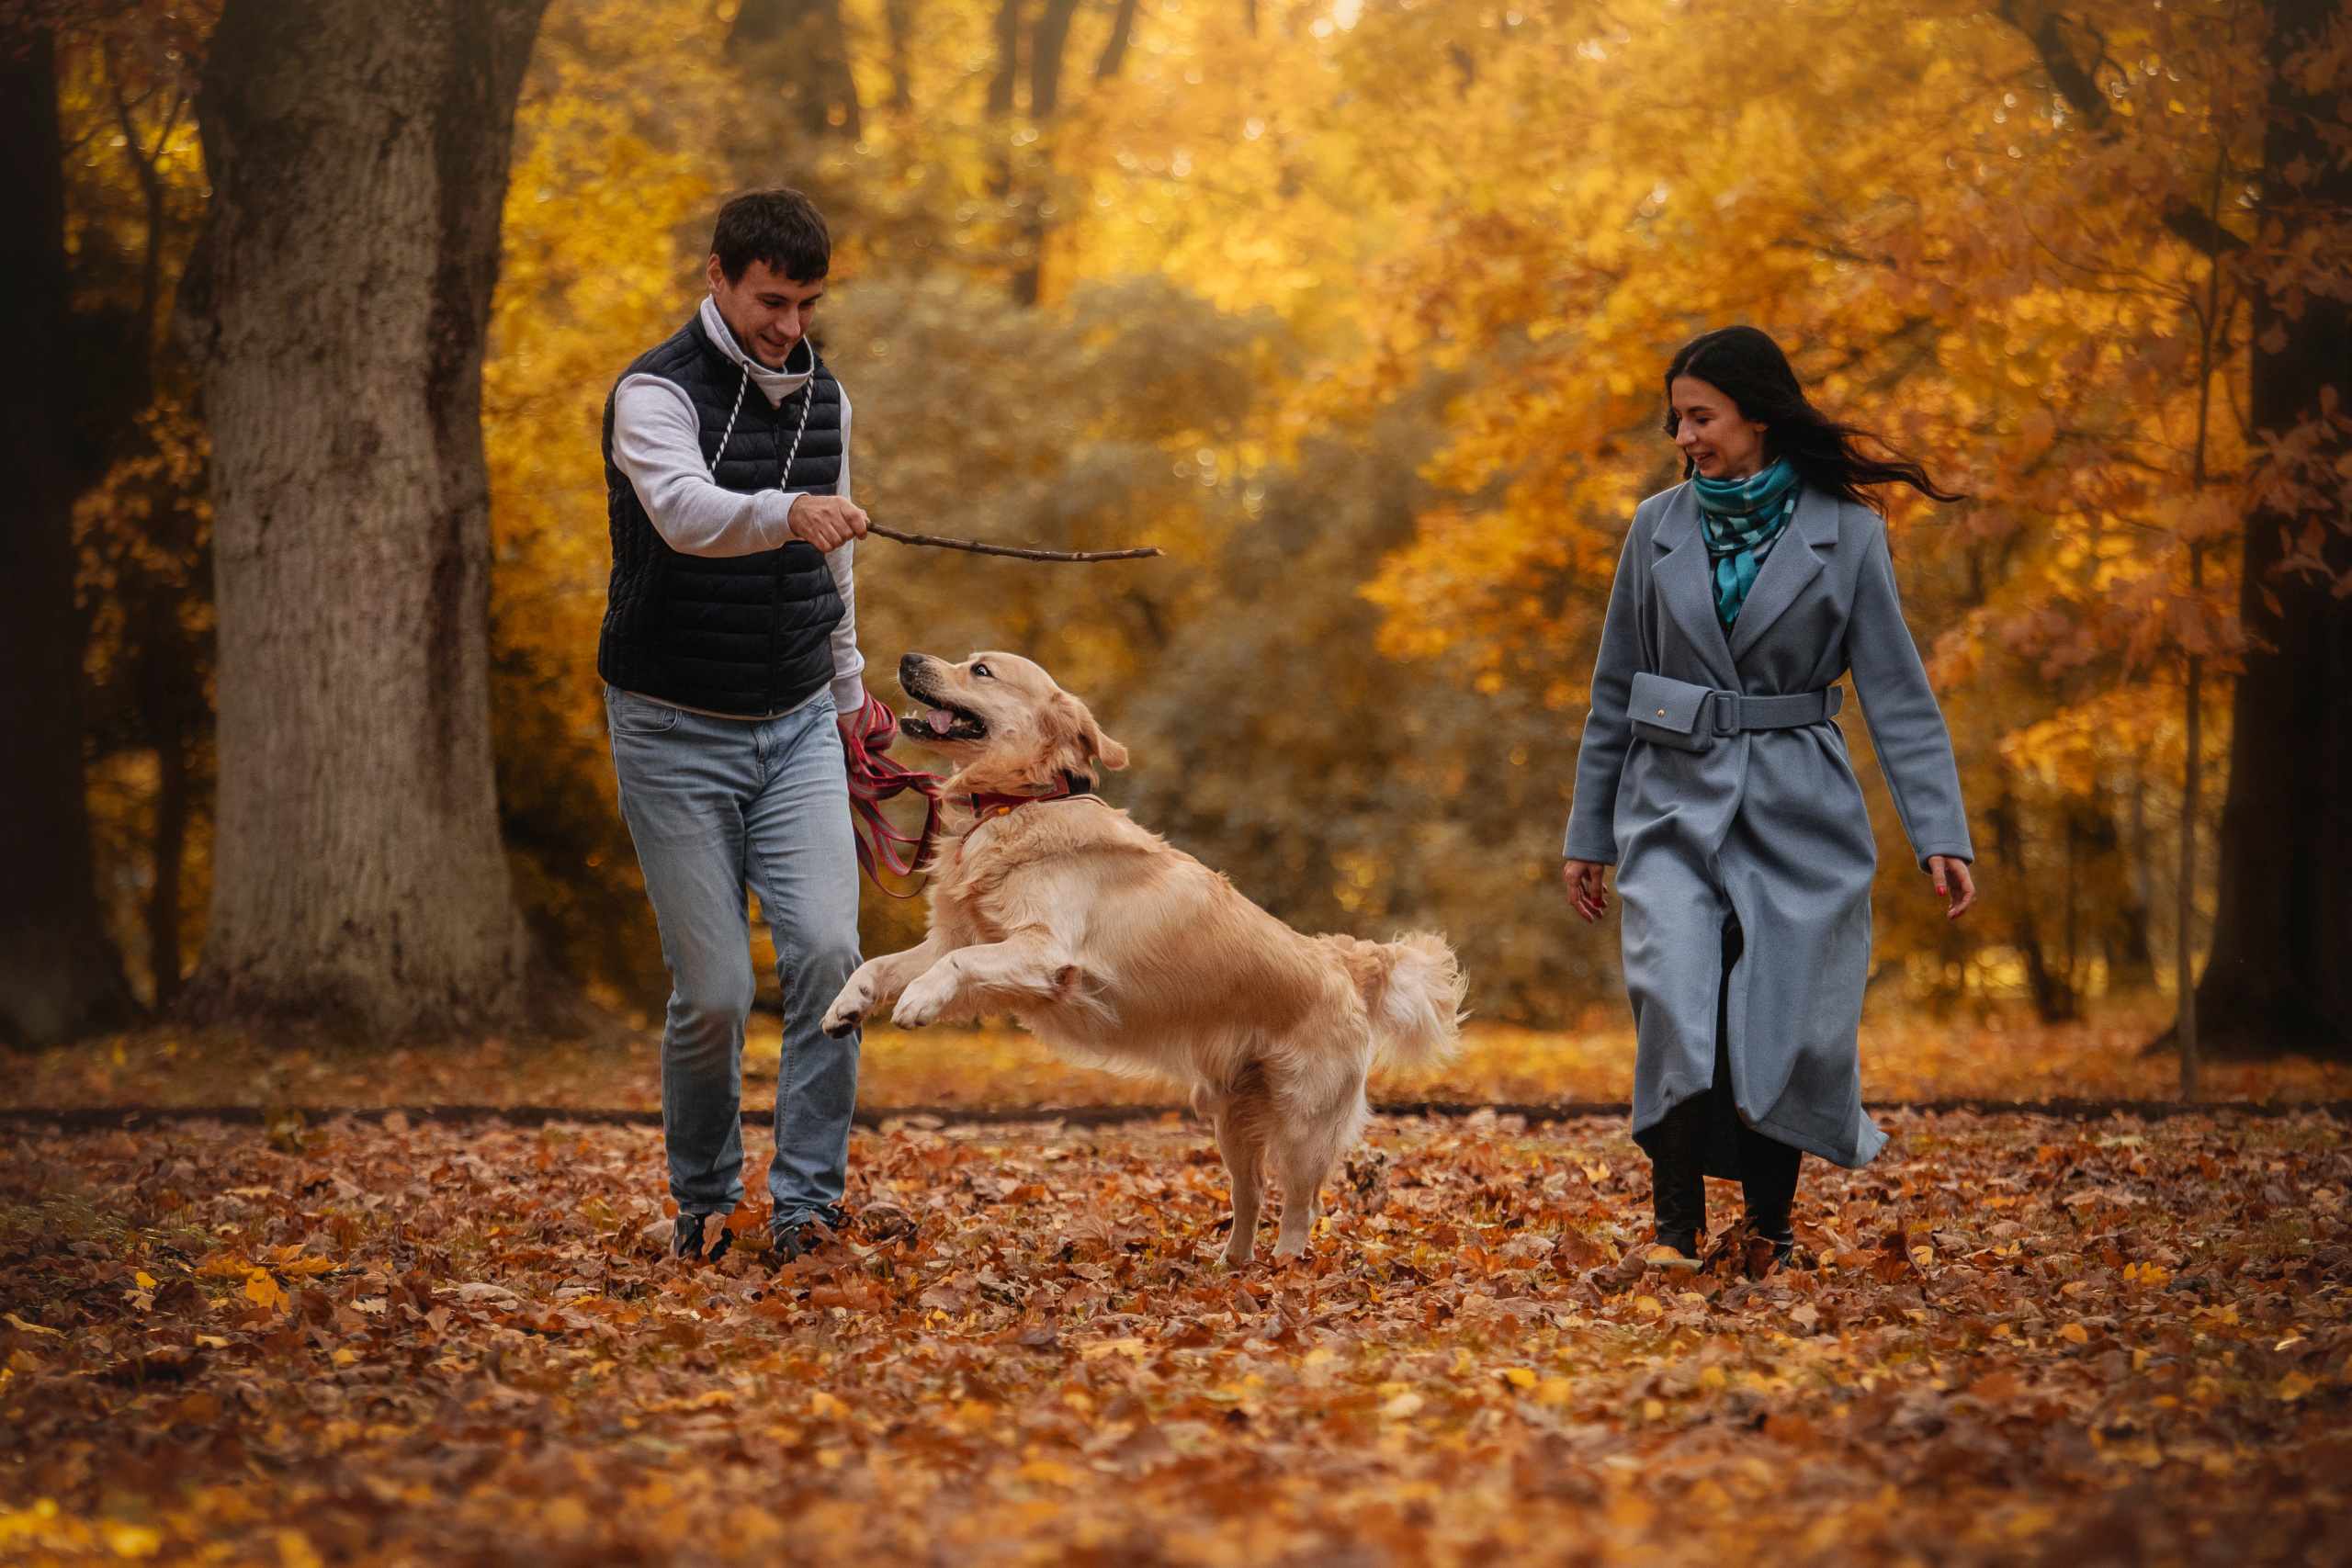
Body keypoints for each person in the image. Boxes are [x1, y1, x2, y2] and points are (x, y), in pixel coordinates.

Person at [1560, 325, 1976, 1275]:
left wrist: (1939, 832)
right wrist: (1590, 833)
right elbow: (1614, 690)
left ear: (1756, 416)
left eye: (1700, 417)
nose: (1684, 438)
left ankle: (1768, 1233)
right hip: (1670, 800)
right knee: (1675, 997)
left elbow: (1898, 694)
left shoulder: (1849, 534)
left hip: (1799, 806)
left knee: (1777, 1022)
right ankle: (1673, 1236)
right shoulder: (1655, 528)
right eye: (1677, 420)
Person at [598, 186, 876, 1265]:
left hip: (797, 718)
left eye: (807, 304)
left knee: (831, 958)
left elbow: (834, 567)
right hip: (671, 727)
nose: (789, 326)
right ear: (716, 277)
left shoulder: (824, 397)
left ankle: (806, 1206)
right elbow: (682, 513)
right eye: (771, 301)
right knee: (714, 993)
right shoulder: (653, 394)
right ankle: (706, 1203)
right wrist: (786, 512)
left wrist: (850, 702)